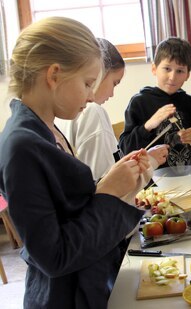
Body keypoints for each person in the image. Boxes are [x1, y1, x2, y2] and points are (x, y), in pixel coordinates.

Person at [0, 17, 150, 308]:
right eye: (87, 83)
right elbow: (53, 256)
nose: (92, 95)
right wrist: (107, 194)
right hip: (61, 297)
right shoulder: (22, 146)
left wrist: (109, 183)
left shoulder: (46, 129)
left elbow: (67, 207)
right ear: (54, 75)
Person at [56, 38, 168, 182]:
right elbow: (107, 183)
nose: (112, 94)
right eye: (114, 83)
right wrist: (150, 162)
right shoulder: (92, 112)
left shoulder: (62, 113)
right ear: (99, 74)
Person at [119, 37, 191, 168]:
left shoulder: (190, 103)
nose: (172, 77)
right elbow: (125, 148)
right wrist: (148, 126)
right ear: (154, 69)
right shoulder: (139, 102)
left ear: (187, 75)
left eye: (180, 71)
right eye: (167, 69)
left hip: (189, 179)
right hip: (154, 183)